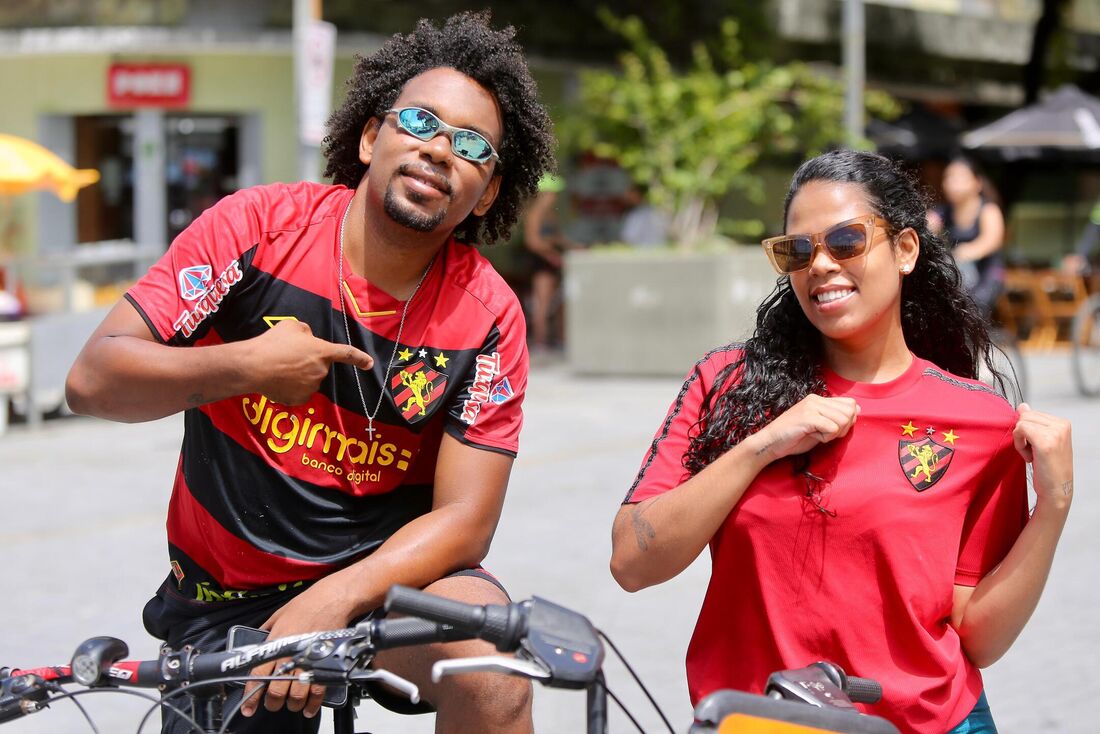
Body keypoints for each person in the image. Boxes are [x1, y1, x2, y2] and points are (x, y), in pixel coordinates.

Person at [65, 12, 554, 733]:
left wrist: (333, 601)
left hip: (383, 588)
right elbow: (93, 380)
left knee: (493, 666)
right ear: (368, 137)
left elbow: (465, 519)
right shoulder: (257, 229)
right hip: (227, 601)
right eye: (420, 122)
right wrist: (245, 365)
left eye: (472, 146)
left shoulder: (487, 315)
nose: (439, 151)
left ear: (486, 193)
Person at [611, 150, 1073, 734]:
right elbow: (631, 561)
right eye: (797, 251)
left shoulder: (979, 421)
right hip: (758, 722)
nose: (820, 265)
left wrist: (1054, 505)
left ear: (905, 250)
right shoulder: (727, 385)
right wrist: (764, 444)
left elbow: (978, 638)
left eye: (847, 240)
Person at [927, 155, 1007, 321]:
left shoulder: (988, 210)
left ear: (977, 183)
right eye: (948, 177)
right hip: (958, 274)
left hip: (988, 274)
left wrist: (969, 251)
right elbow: (926, 224)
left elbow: (992, 240)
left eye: (959, 177)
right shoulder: (943, 212)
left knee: (971, 309)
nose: (952, 183)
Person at [520, 173, 580, 352]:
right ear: (545, 193)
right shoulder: (535, 213)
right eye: (553, 193)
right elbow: (532, 241)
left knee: (558, 303)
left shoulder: (550, 214)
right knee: (542, 303)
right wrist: (551, 254)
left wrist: (575, 247)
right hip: (541, 263)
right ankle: (540, 342)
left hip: (552, 262)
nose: (555, 197)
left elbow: (558, 237)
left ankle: (557, 339)